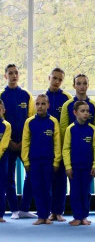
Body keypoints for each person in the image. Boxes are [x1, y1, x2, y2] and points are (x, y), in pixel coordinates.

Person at [1, 64, 36, 219]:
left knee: (32, 172)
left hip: (24, 143)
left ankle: (24, 208)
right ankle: (14, 209)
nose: (14, 76)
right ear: (5, 76)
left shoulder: (26, 95)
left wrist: (23, 141)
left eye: (16, 73)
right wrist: (9, 142)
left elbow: (31, 119)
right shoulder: (2, 95)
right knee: (9, 176)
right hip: (7, 143)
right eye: (10, 73)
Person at [21, 94, 61, 225]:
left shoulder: (53, 121)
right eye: (37, 104)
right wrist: (26, 161)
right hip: (34, 161)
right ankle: (40, 216)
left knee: (47, 189)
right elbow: (25, 142)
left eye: (43, 104)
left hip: (48, 161)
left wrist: (56, 161)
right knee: (37, 188)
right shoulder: (29, 122)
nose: (40, 106)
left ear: (48, 105)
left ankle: (47, 215)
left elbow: (57, 143)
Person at [61, 101, 95, 226]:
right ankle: (77, 216)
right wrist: (68, 166)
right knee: (75, 191)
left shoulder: (92, 129)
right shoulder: (70, 129)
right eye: (82, 111)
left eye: (87, 111)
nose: (86, 113)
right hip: (74, 167)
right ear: (75, 113)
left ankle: (84, 216)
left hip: (88, 167)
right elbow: (66, 149)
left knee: (86, 192)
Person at [45, 68, 73, 222]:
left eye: (60, 79)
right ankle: (50, 211)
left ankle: (59, 211)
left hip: (63, 145)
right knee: (49, 179)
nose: (57, 82)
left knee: (61, 180)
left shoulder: (67, 98)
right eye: (54, 78)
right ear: (49, 78)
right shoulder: (43, 98)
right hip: (47, 145)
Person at [0, 100, 11, 223]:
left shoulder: (6, 125)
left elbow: (3, 145)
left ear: (3, 111)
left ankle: (0, 214)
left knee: (1, 188)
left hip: (2, 161)